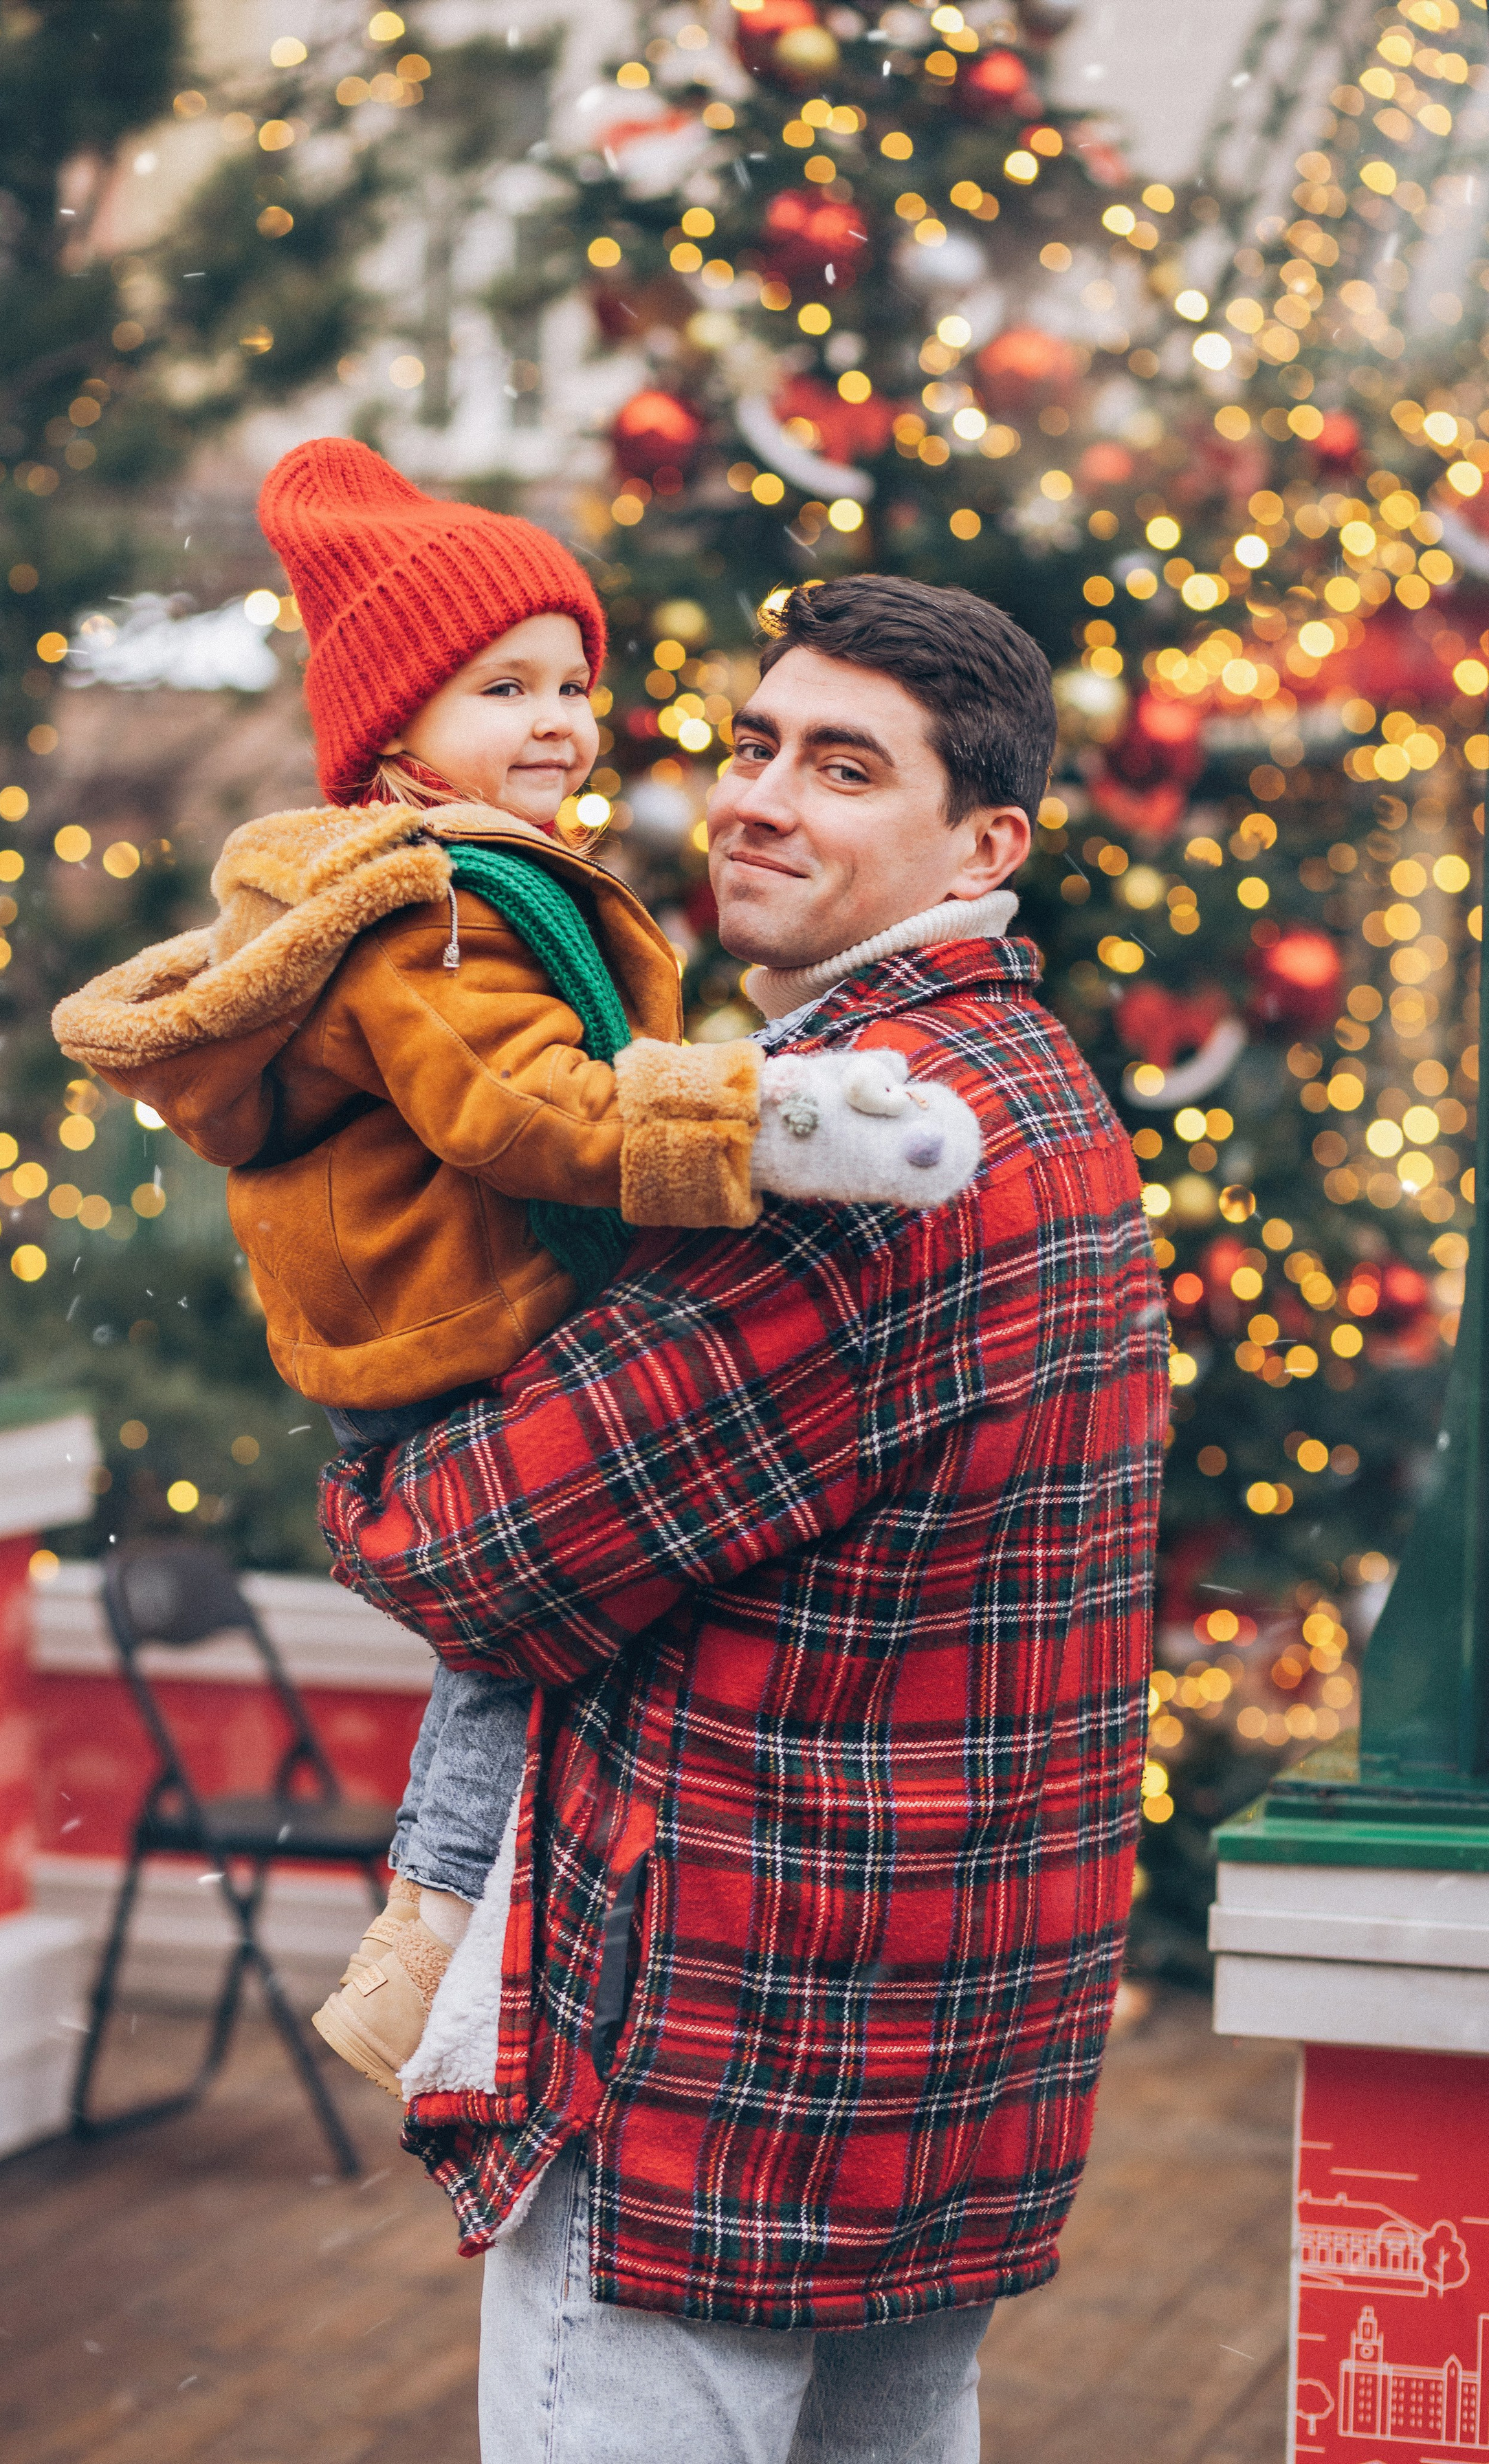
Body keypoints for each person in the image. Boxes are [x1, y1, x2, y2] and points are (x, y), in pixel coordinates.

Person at [322, 573, 1168, 2464]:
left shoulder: (847, 1144)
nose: (762, 800)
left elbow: (477, 1550)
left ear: (985, 843)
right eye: (756, 744)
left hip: (728, 2068)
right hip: (948, 2064)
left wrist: (369, 1417)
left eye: (845, 767)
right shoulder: (1042, 1087)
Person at [52, 450, 982, 2102]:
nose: (556, 717)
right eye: (502, 687)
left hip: (433, 1322)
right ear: (397, 729)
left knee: (523, 1649)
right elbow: (517, 1110)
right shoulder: (433, 907)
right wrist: (768, 1121)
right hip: (455, 1332)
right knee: (524, 1644)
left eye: (571, 680)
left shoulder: (478, 875)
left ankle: (439, 1932)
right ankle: (432, 1942)